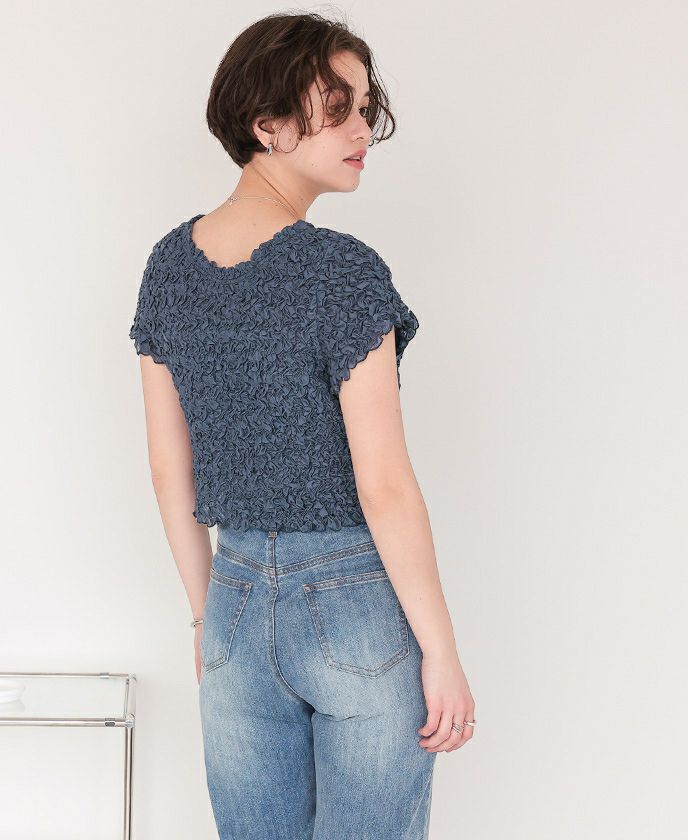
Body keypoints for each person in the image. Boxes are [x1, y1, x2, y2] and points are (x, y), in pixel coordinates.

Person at [128, 11, 475, 840]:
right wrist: (442, 651)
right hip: (354, 602)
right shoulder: (341, 272)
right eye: (338, 107)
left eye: (366, 109)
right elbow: (383, 484)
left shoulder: (169, 267)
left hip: (233, 596)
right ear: (267, 124)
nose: (362, 131)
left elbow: (169, 468)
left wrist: (207, 617)